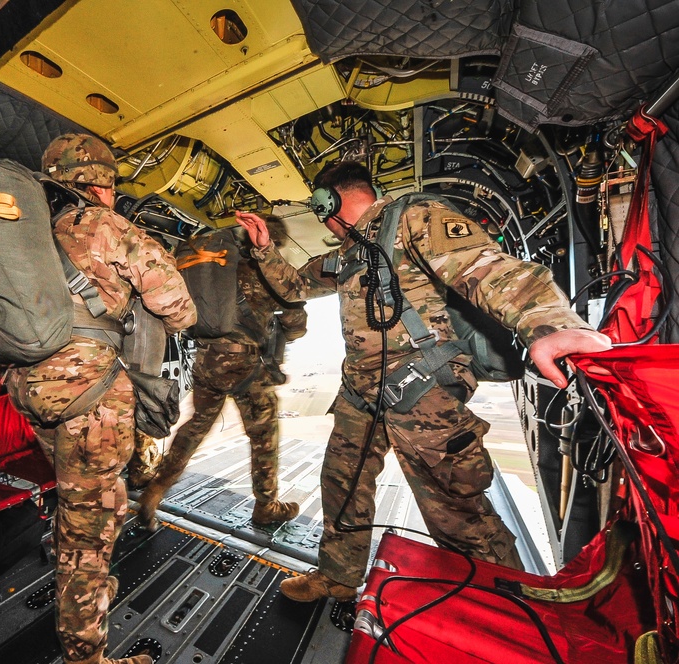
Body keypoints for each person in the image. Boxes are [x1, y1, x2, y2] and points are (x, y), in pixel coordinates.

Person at [235, 160, 612, 603]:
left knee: (455, 511)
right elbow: (295, 286)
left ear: (329, 201)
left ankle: (511, 609)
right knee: (342, 483)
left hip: (422, 390)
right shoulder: (349, 252)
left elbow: (488, 268)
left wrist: (548, 324)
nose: (324, 221)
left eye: (322, 209)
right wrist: (263, 249)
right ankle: (338, 576)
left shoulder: (413, 217)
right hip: (360, 392)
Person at [5, 133, 196, 664]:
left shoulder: (23, 229)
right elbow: (178, 307)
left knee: (79, 504)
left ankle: (82, 588)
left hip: (29, 385)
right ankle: (84, 650)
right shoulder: (101, 224)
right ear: (102, 184)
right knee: (87, 531)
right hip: (88, 393)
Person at [137, 224, 307, 531]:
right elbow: (296, 321)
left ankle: (156, 490)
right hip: (246, 364)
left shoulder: (219, 266)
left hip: (207, 358)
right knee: (264, 435)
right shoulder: (265, 270)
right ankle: (266, 506)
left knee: (197, 425)